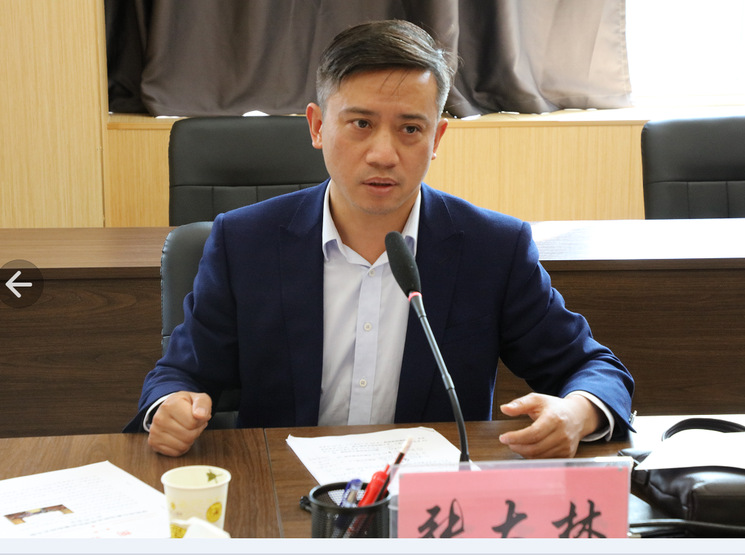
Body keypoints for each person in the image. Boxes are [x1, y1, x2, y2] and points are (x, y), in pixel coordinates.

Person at [125, 20, 634, 458]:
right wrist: (170, 407)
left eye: (410, 129)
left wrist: (578, 412)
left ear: (435, 139)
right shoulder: (245, 242)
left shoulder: (492, 248)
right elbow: (180, 374)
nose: (383, 154)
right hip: (284, 488)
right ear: (317, 126)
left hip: (428, 500)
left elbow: (592, 367)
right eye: (361, 124)